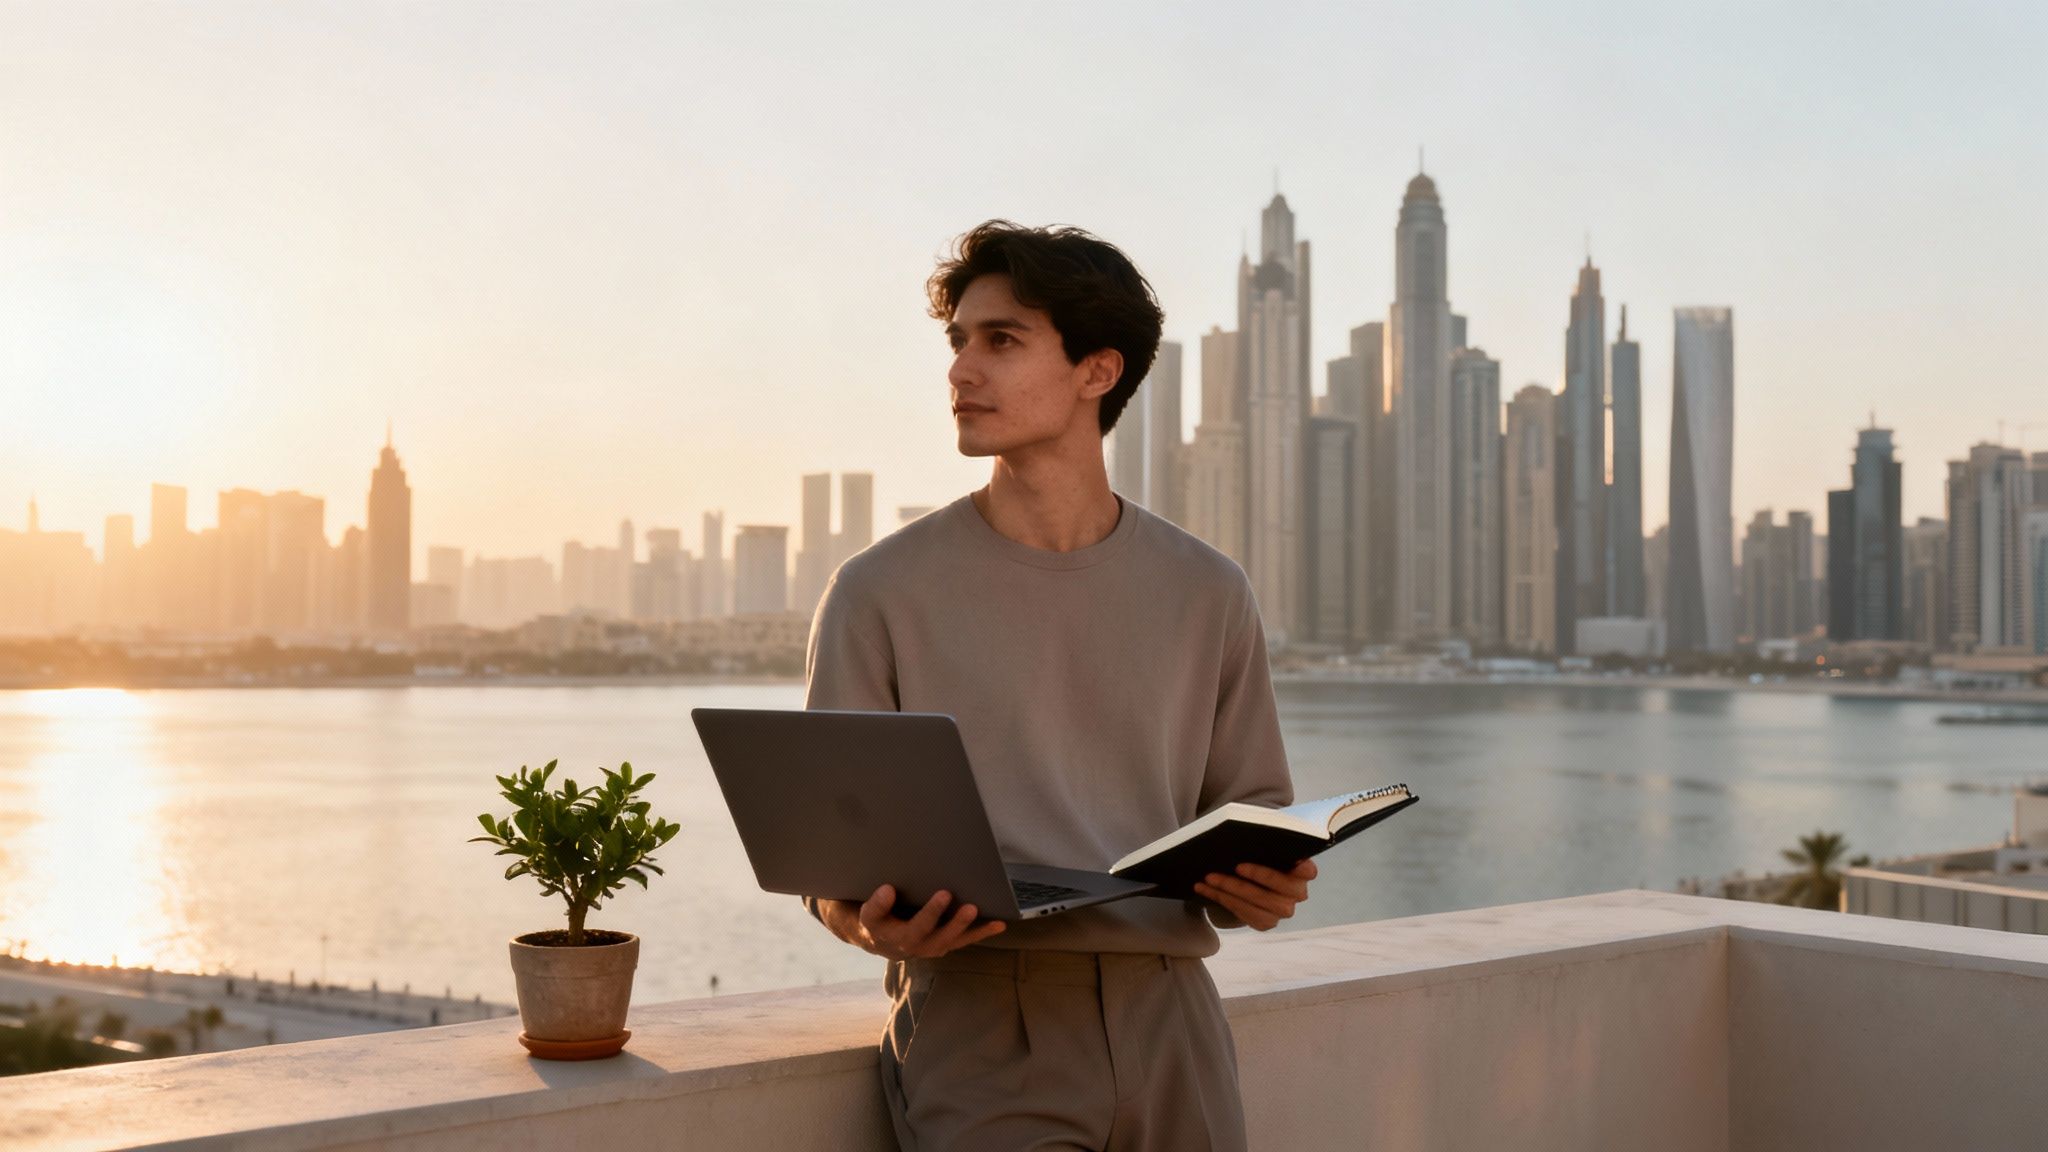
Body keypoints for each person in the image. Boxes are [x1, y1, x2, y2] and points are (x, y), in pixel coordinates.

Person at [804, 220, 1313, 1151]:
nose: (961, 370)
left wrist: (1264, 890)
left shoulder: (1209, 589)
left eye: (1001, 341)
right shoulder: (878, 591)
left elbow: (1252, 810)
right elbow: (830, 866)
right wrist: (868, 925)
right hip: (980, 1022)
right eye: (958, 342)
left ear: (1098, 371)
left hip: (1175, 1019)